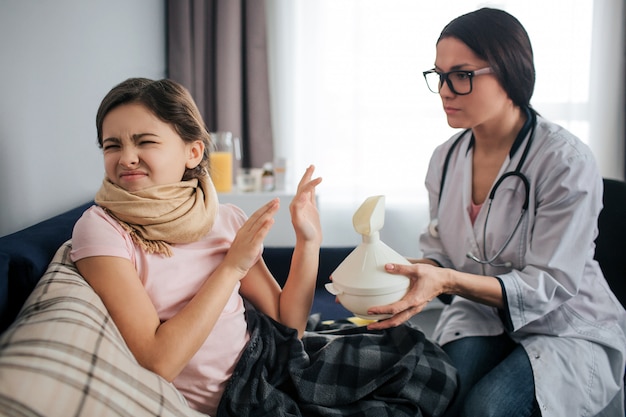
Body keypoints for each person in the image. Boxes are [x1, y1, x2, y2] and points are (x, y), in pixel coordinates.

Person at [70, 78, 457, 417]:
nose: (127, 158)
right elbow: (158, 363)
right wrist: (230, 269)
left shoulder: (220, 217)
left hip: (267, 352)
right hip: (239, 396)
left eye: (145, 141)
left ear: (193, 152)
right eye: (112, 145)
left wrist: (309, 241)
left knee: (420, 358)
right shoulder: (102, 229)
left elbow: (289, 325)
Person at [365, 8, 626, 417]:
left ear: (508, 72)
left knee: (487, 408)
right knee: (437, 397)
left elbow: (549, 285)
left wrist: (445, 279)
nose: (446, 90)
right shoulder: (446, 159)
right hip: (482, 314)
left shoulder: (564, 160)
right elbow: (443, 253)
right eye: (439, 75)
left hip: (564, 324)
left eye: (462, 75)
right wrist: (405, 273)